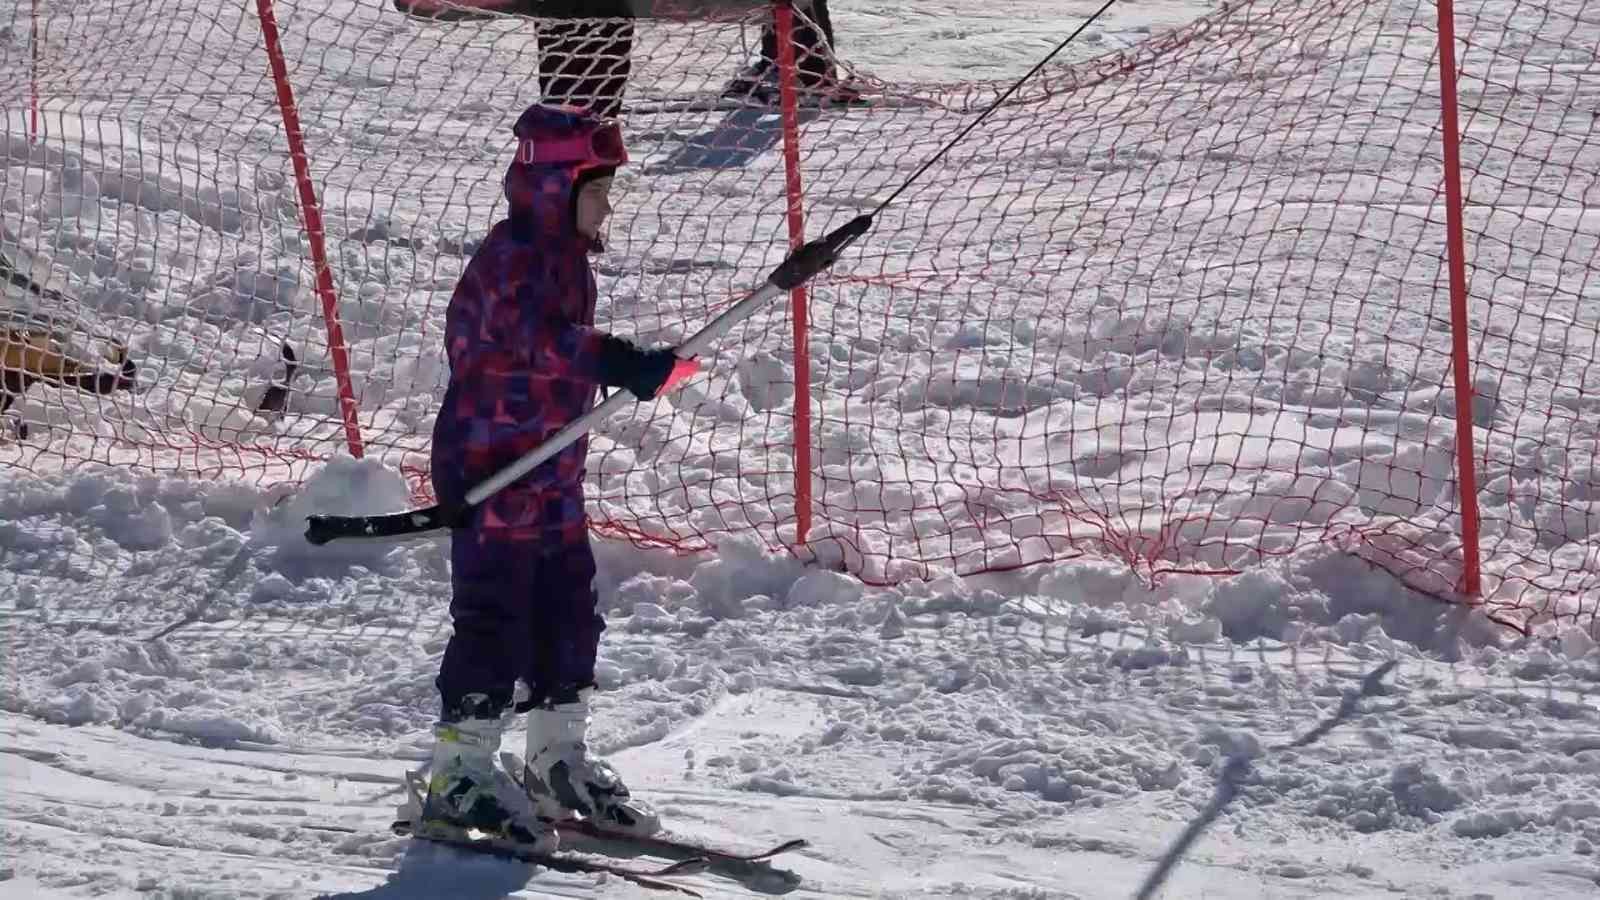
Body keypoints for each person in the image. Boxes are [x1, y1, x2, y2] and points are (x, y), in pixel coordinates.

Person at [421, 103, 698, 848]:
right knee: (496, 617)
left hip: (550, 473)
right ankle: (459, 775)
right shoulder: (511, 257)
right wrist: (614, 359)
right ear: (556, 188)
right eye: (599, 191)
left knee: (569, 612)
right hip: (495, 468)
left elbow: (560, 346)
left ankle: (552, 759)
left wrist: (623, 362)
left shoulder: (567, 261)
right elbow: (528, 343)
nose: (608, 207)